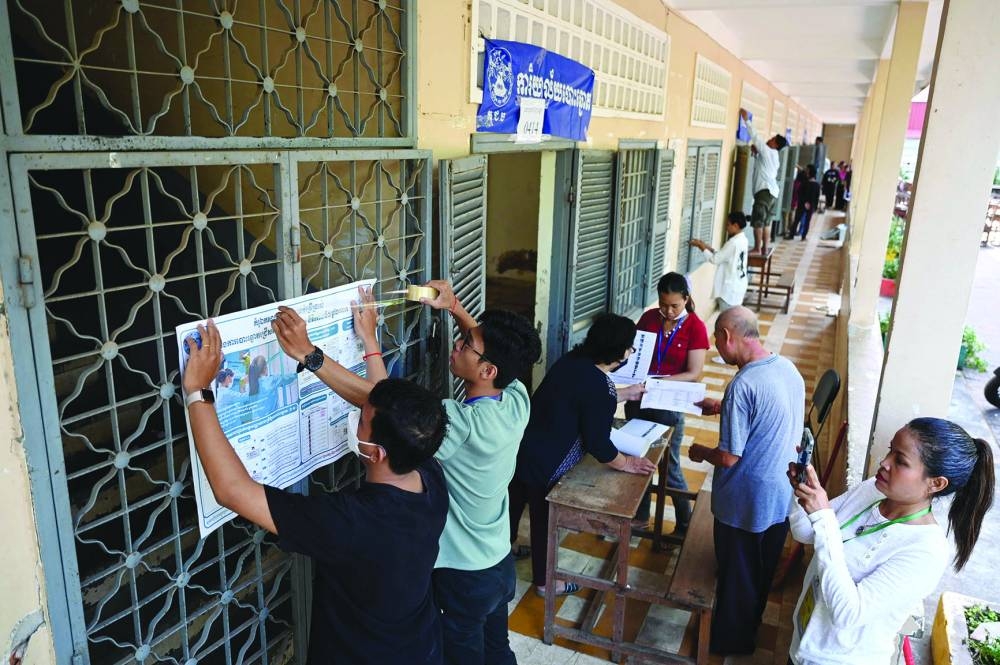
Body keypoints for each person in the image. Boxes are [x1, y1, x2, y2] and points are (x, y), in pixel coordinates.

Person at [277, 282, 541, 665]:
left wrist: (311, 355)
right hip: (498, 562)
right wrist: (454, 308)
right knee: (498, 651)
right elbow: (495, 352)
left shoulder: (463, 423)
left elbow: (384, 405)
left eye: (466, 344)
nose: (458, 344)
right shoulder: (516, 399)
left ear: (487, 369)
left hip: (461, 573)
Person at [181, 312, 450, 664]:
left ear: (377, 453)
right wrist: (310, 355)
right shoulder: (428, 472)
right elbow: (379, 405)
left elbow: (232, 490)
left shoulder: (352, 521)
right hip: (420, 646)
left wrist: (198, 391)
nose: (358, 413)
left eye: (363, 420)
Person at [787, 418, 995, 665]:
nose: (884, 463)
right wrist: (802, 491)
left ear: (936, 483)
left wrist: (823, 518)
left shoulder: (927, 551)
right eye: (890, 451)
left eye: (901, 461)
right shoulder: (872, 491)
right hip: (803, 645)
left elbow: (848, 613)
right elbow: (803, 531)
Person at [509, 314, 656, 596]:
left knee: (514, 504)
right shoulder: (601, 386)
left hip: (522, 448)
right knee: (543, 522)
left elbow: (584, 397)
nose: (631, 352)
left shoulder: (571, 361)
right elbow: (599, 445)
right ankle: (546, 582)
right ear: (620, 352)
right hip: (549, 462)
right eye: (630, 347)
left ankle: (508, 549)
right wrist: (627, 463)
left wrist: (625, 394)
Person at [688, 306, 804, 656]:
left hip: (744, 500)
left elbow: (728, 457)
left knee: (738, 576)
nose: (715, 349)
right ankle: (749, 630)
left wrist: (699, 451)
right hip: (780, 494)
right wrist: (722, 406)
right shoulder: (786, 368)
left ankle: (729, 643)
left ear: (727, 336)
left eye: (716, 341)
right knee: (760, 570)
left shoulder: (742, 384)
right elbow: (771, 409)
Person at [625, 273, 710, 533]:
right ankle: (639, 519)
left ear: (686, 298)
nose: (668, 311)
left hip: (669, 402)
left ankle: (684, 522)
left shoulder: (696, 327)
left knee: (669, 465)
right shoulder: (650, 318)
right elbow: (634, 354)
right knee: (637, 458)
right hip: (640, 397)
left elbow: (694, 371)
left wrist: (661, 383)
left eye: (675, 305)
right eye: (663, 304)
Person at [740, 108, 788, 256]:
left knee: (757, 221)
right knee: (767, 222)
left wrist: (746, 119)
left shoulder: (767, 151)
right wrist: (756, 152)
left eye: (772, 139)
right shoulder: (774, 157)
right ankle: (765, 248)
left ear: (775, 144)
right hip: (773, 194)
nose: (770, 139)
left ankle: (757, 248)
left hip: (764, 192)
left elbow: (755, 137)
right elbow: (762, 161)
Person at [690, 211, 749, 312]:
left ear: (735, 225)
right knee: (733, 319)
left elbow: (715, 259)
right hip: (739, 285)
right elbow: (725, 256)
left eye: (728, 225)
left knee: (727, 321)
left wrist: (701, 246)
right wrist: (707, 247)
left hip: (730, 290)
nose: (726, 228)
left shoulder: (733, 243)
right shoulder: (743, 240)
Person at [794, 164, 821, 240]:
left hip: (802, 203)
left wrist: (805, 202)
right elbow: (816, 197)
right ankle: (803, 236)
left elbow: (799, 193)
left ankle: (792, 234)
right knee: (807, 221)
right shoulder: (817, 185)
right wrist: (814, 206)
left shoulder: (805, 183)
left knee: (797, 219)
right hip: (811, 205)